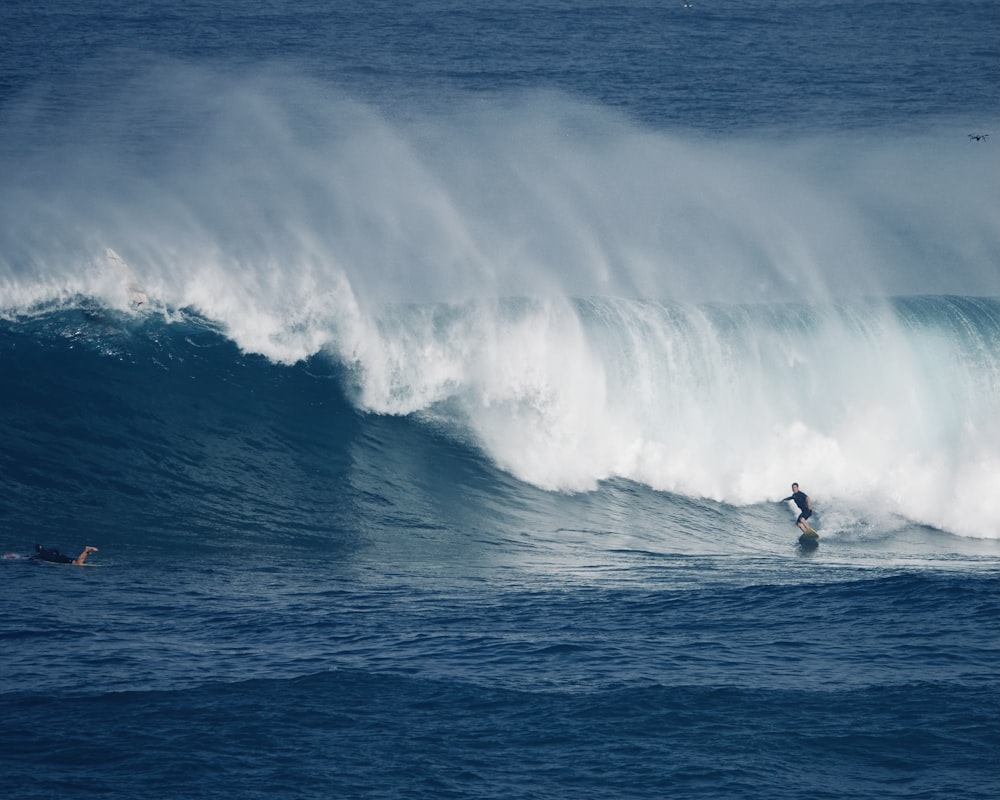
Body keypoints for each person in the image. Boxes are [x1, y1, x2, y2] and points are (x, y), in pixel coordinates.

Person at [32, 544, 98, 566]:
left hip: (57, 559)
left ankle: (86, 550)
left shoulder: (39, 555)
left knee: (77, 563)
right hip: (60, 557)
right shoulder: (49, 551)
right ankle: (86, 552)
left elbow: (33, 558)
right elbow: (56, 549)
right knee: (76, 561)